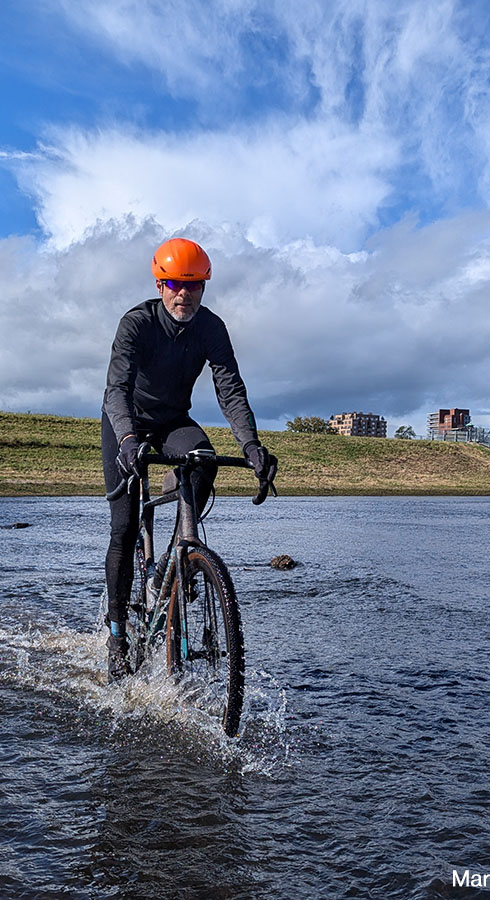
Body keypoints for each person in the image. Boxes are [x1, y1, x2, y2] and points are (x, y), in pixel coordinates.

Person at [101, 237, 275, 681]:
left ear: (203, 287)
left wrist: (252, 446)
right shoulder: (136, 323)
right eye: (176, 284)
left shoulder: (211, 328)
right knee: (123, 526)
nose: (184, 294)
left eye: (194, 285)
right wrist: (125, 440)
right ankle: (118, 636)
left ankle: (174, 562)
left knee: (205, 459)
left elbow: (230, 390)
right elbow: (115, 390)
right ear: (161, 285)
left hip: (173, 420)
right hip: (125, 422)